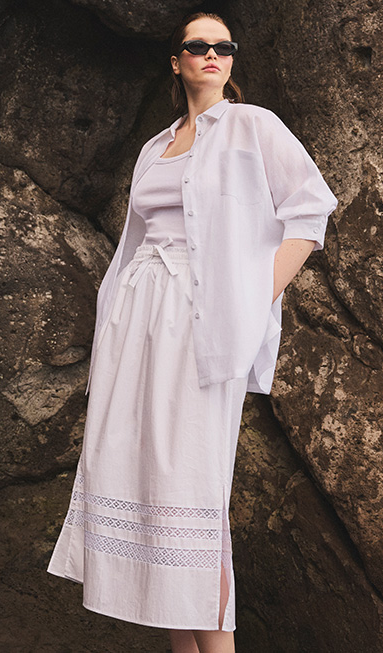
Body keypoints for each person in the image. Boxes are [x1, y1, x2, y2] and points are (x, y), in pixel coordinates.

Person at [47, 11, 338, 653]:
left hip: (202, 321)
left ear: (231, 60)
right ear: (176, 62)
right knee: (149, 485)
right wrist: (110, 325)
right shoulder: (154, 147)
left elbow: (310, 211)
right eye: (197, 45)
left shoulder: (252, 125)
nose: (212, 53)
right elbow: (132, 243)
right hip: (135, 319)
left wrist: (250, 300)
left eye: (223, 45)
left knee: (195, 493)